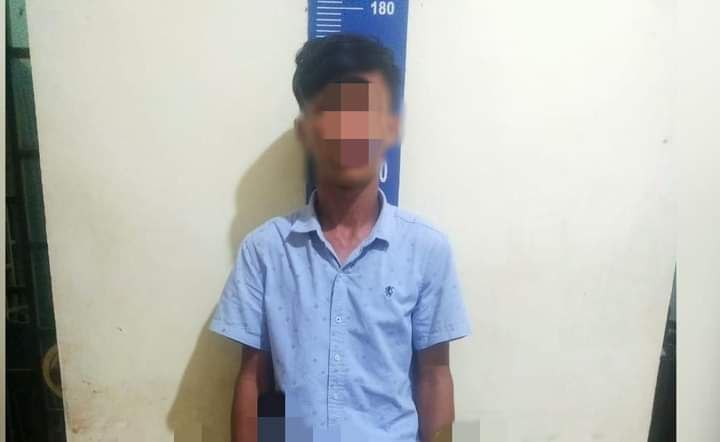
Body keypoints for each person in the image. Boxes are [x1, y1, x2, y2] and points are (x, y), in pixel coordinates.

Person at [209, 33, 472, 442]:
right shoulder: (266, 250)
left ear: (390, 127)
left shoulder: (426, 249)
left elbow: (435, 377)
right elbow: (252, 379)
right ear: (305, 132)